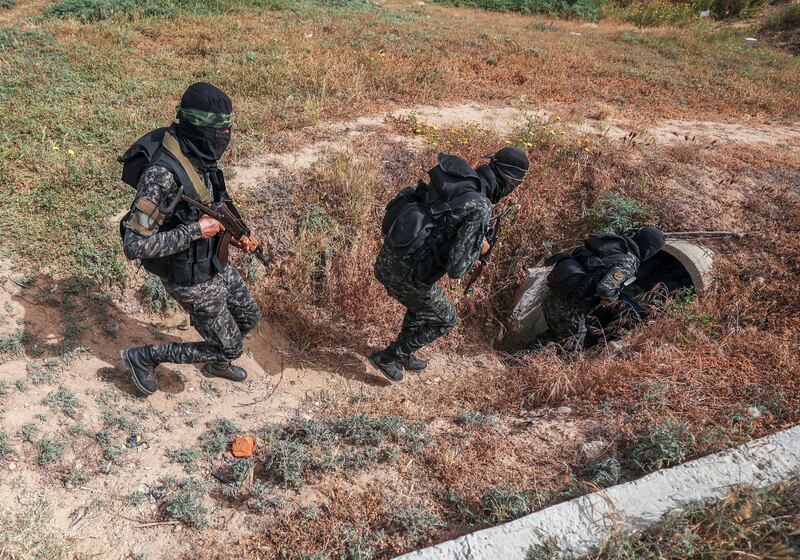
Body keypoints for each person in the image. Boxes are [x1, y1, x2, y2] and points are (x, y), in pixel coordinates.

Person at [118, 82, 262, 396]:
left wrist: (238, 232)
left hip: (214, 261)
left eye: (228, 130)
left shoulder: (197, 154)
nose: (224, 138)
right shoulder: (161, 176)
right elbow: (134, 245)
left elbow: (214, 201)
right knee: (230, 348)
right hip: (190, 277)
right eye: (219, 131)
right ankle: (144, 357)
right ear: (197, 128)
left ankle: (217, 356)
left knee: (249, 316)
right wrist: (196, 231)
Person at [370, 147, 530, 382]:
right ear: (509, 181)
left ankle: (406, 352)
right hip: (407, 276)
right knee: (446, 319)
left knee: (423, 308)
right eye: (515, 186)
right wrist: (478, 251)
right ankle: (391, 357)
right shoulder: (480, 206)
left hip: (389, 258)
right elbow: (457, 270)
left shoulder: (461, 180)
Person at [542, 226, 666, 350]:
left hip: (555, 292)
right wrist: (610, 299)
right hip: (569, 308)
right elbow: (605, 288)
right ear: (650, 249)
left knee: (553, 335)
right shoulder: (628, 262)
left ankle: (530, 353)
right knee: (572, 349)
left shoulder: (614, 244)